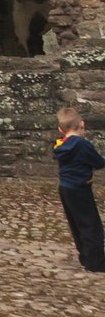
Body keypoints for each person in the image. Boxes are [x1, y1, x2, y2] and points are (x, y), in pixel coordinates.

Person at [54, 106, 105, 273]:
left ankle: (85, 256)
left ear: (61, 129)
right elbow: (98, 162)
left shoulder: (61, 145)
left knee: (76, 223)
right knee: (91, 225)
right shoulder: (82, 145)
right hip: (80, 188)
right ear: (82, 124)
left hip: (65, 188)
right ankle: (95, 263)